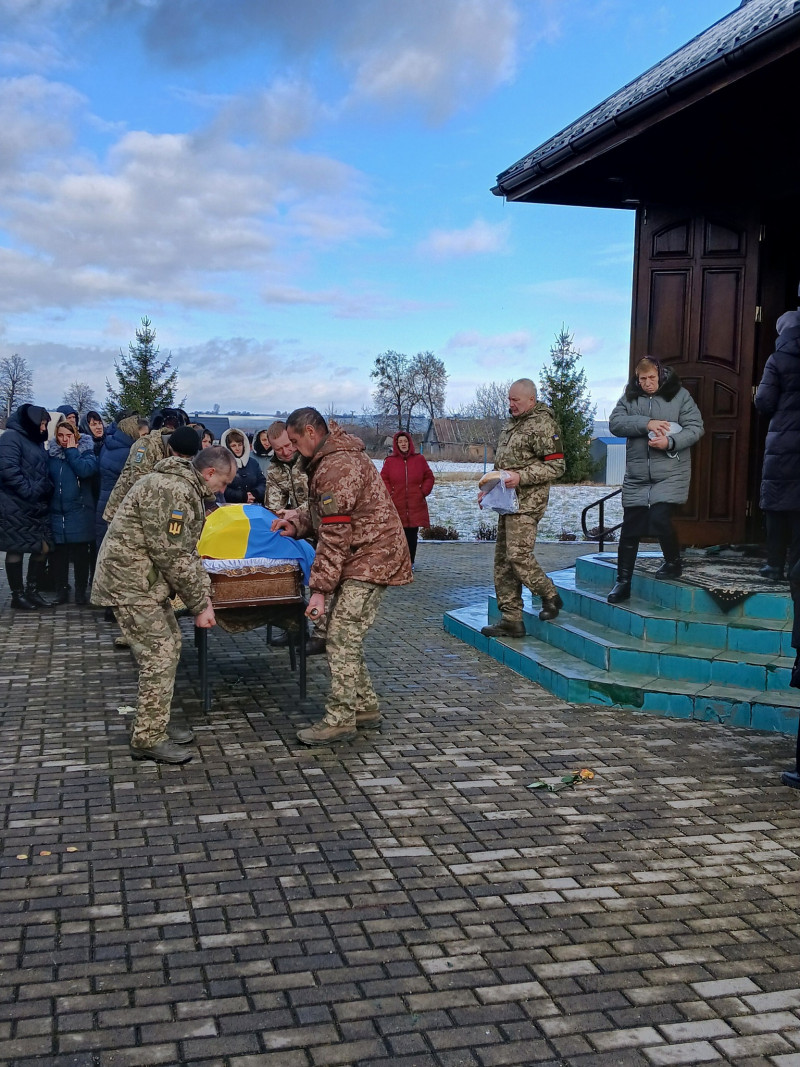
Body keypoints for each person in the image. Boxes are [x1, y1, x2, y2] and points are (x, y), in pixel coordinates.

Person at [272, 407, 412, 746]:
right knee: (344, 634)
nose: (290, 450)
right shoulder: (329, 458)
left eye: (293, 441)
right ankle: (364, 707)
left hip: (374, 557)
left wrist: (319, 590)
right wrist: (299, 522)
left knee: (339, 636)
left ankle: (340, 719)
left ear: (309, 432)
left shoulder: (337, 466)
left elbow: (335, 535)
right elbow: (327, 512)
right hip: (364, 555)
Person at [91, 445, 236, 764]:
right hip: (130, 583)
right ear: (209, 473)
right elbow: (173, 555)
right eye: (223, 483)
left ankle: (154, 720)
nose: (222, 491)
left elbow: (185, 550)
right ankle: (147, 737)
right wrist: (201, 606)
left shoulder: (180, 485)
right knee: (160, 651)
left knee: (169, 645)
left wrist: (203, 594)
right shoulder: (174, 491)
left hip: (142, 582)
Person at [606, 357, 705, 603]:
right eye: (643, 379)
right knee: (630, 527)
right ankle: (623, 582)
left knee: (660, 517)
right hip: (638, 476)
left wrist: (670, 441)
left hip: (671, 472)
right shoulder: (629, 397)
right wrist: (646, 423)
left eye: (652, 378)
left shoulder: (679, 396)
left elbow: (696, 428)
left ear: (660, 375)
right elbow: (615, 424)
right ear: (637, 380)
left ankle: (672, 561)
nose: (648, 383)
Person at [480, 379, 565, 637]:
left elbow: (557, 466)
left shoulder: (543, 425)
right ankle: (511, 619)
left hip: (528, 503)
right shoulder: (511, 425)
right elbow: (503, 465)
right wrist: (486, 489)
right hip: (507, 502)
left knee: (518, 556)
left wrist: (521, 477)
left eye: (515, 400)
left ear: (531, 399)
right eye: (509, 399)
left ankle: (549, 594)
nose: (511, 404)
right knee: (503, 562)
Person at [264, 420, 328, 654]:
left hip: (319, 527)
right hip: (295, 530)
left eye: (287, 445)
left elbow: (319, 497)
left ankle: (322, 634)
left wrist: (297, 513)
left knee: (321, 580)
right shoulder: (274, 470)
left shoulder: (310, 460)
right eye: (278, 449)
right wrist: (279, 518)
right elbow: (273, 502)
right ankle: (295, 628)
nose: (285, 452)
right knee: (290, 575)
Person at [754, 308, 800, 580]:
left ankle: (773, 566)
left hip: (782, 440)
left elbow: (765, 402)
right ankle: (796, 567)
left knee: (775, 502)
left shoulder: (777, 359)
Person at [0, 404, 54, 610]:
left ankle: (32, 590)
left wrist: (44, 487)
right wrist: (30, 490)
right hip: (16, 503)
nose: (43, 428)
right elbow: (8, 469)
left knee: (43, 546)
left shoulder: (35, 441)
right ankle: (17, 594)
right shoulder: (10, 438)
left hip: (36, 504)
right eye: (41, 423)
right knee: (17, 548)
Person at [103, 408, 189, 524]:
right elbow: (139, 478)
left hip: (145, 511)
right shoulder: (145, 445)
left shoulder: (169, 447)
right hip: (123, 510)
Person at [47, 418, 98, 604]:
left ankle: (80, 591)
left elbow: (86, 471)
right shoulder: (51, 455)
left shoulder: (86, 452)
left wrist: (71, 451)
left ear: (75, 436)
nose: (64, 439)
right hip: (57, 511)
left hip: (79, 510)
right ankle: (61, 590)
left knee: (80, 555)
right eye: (60, 436)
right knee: (59, 555)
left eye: (68, 436)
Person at [380, 431, 435, 565]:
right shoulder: (390, 462)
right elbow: (383, 479)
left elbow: (429, 477)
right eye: (400, 442)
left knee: (411, 536)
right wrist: (390, 493)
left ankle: (410, 563)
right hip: (396, 505)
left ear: (409, 443)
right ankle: (398, 563)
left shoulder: (419, 459)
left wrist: (422, 492)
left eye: (405, 441)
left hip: (415, 505)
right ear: (396, 445)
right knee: (397, 536)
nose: (403, 444)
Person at [219, 428, 266, 504]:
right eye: (233, 446)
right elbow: (221, 488)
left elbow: (263, 483)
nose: (237, 448)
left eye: (240, 445)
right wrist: (242, 496)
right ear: (227, 447)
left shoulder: (253, 463)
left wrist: (255, 494)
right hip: (229, 507)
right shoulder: (221, 465)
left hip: (253, 505)